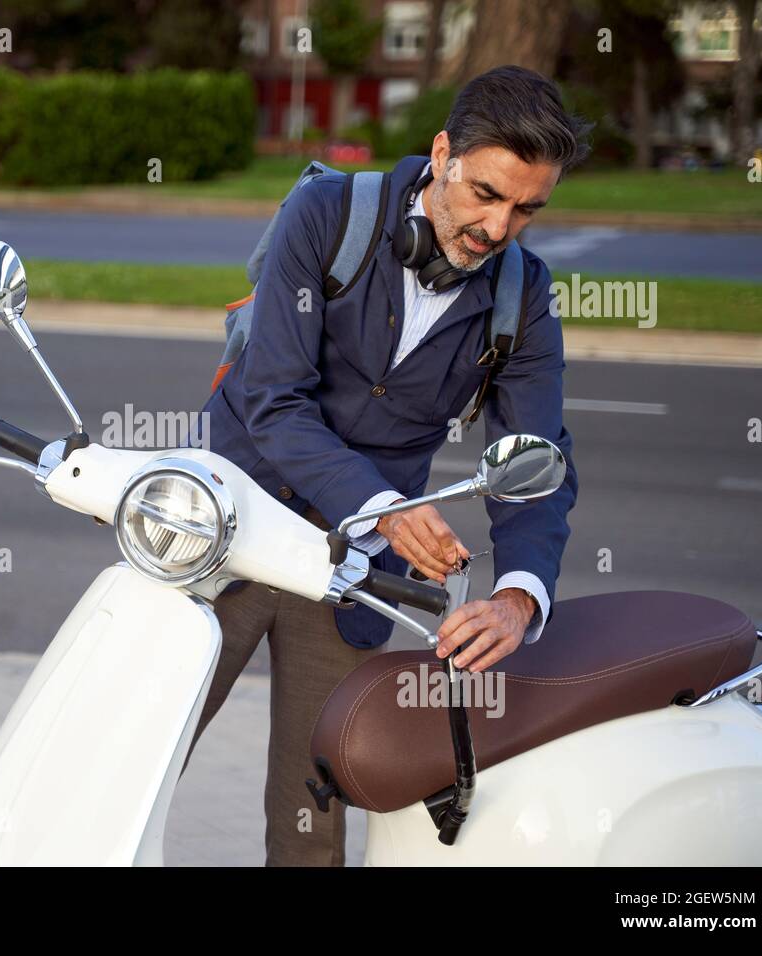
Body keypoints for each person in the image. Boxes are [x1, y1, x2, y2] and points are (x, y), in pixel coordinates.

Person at [183, 65, 588, 866]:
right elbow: (273, 401)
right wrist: (384, 506)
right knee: (135, 748)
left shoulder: (525, 298)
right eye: (485, 194)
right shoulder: (325, 215)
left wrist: (517, 596)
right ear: (442, 154)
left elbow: (538, 461)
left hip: (346, 575)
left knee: (312, 806)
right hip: (226, 529)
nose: (500, 228)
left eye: (527, 209)